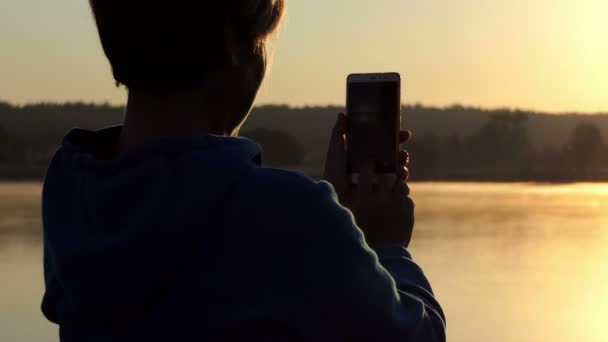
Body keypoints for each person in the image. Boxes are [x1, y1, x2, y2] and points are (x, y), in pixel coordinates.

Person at [41, 1, 446, 341]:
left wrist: (328, 216)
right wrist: (385, 246)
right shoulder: (290, 215)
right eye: (263, 40)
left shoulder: (70, 186)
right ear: (234, 43)